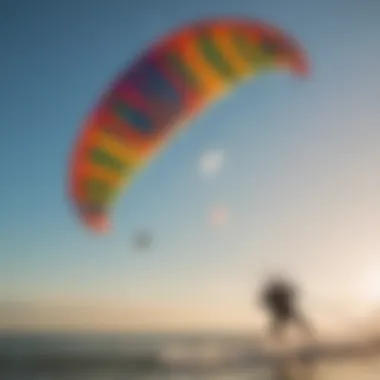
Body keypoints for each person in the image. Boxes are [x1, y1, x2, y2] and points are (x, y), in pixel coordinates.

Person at [259, 275, 313, 343]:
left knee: (299, 322)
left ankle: (310, 338)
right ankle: (275, 341)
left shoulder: (282, 294)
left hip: (285, 310)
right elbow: (266, 301)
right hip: (282, 311)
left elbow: (292, 294)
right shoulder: (275, 295)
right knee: (277, 326)